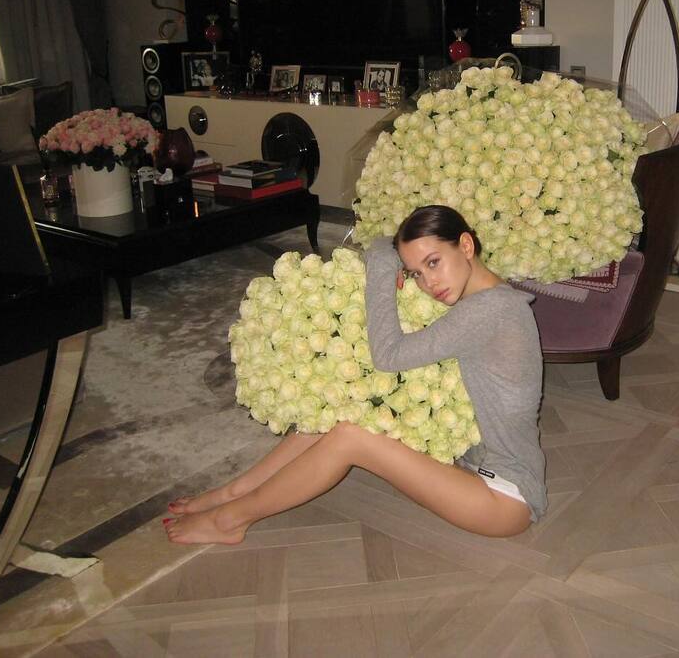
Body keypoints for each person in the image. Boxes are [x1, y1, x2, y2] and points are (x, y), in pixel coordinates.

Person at [164, 205, 547, 543]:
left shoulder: (489, 312)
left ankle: (231, 519)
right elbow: (387, 242)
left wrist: (383, 265)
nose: (428, 283)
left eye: (433, 263)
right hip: (472, 470)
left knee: (351, 437)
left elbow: (389, 355)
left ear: (465, 245)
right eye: (415, 272)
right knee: (349, 403)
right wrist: (393, 253)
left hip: (505, 498)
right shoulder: (488, 297)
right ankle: (234, 493)